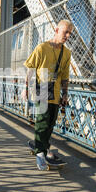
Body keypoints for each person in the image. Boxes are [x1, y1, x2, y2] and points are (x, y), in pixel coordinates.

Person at [22, 20, 73, 170]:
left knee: (50, 124)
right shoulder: (42, 48)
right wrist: (25, 88)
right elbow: (30, 69)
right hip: (42, 88)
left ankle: (43, 147)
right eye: (66, 32)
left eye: (70, 33)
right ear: (56, 30)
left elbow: (65, 76)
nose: (68, 36)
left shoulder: (66, 53)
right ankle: (40, 154)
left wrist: (65, 94)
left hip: (56, 91)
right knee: (42, 122)